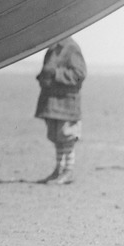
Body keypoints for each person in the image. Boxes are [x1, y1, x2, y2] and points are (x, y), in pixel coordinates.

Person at [34, 36, 87, 185]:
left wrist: (56, 74)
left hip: (67, 102)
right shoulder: (52, 47)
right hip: (52, 102)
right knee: (57, 137)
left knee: (67, 137)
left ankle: (68, 171)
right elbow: (47, 70)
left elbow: (80, 74)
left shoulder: (71, 47)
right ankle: (59, 169)